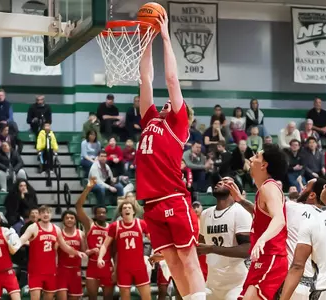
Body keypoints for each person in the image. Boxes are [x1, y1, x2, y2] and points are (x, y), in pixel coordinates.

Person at [137, 13, 204, 300]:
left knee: (188, 261)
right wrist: (146, 41)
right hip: (151, 204)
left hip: (174, 199)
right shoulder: (150, 119)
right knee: (173, 264)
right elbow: (146, 78)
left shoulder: (177, 124)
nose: (166, 101)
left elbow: (171, 78)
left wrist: (165, 37)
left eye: (172, 102)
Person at [225, 144, 289, 300]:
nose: (251, 158)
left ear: (264, 165)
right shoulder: (264, 189)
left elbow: (279, 219)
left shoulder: (269, 188)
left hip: (271, 256)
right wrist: (240, 200)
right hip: (261, 258)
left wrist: (262, 240)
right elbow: (263, 214)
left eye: (257, 156)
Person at [196, 177, 252, 300]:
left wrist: (212, 248)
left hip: (236, 284)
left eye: (226, 182)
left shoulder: (241, 212)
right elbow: (199, 247)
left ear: (235, 190)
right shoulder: (206, 213)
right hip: (212, 283)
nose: (220, 182)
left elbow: (247, 249)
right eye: (219, 181)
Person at [18, 206, 81, 300]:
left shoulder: (56, 229)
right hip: (35, 271)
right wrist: (14, 244)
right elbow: (22, 239)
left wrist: (77, 252)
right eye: (43, 212)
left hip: (51, 271)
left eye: (47, 212)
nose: (45, 214)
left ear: (51, 215)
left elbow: (64, 246)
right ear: (39, 215)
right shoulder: (33, 227)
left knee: (49, 297)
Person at [97, 201, 151, 300]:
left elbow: (153, 239)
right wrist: (100, 257)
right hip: (123, 268)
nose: (127, 209)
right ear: (121, 212)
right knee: (125, 297)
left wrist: (159, 251)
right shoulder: (115, 226)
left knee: (147, 297)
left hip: (139, 266)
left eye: (129, 207)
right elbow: (105, 245)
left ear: (134, 211)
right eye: (124, 208)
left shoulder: (141, 223)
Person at [74, 178, 114, 300]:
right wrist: (89, 187)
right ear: (95, 214)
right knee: (92, 298)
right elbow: (78, 206)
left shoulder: (112, 228)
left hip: (107, 265)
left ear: (106, 214)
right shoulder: (90, 224)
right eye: (99, 213)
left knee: (108, 298)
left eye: (103, 213)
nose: (101, 215)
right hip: (92, 266)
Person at [284, 178, 324, 300]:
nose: (302, 188)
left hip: (293, 283)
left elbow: (262, 209)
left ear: (312, 194)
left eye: (306, 186)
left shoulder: (292, 208)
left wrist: (241, 200)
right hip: (317, 287)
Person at [57, 210, 86, 300]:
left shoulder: (80, 233)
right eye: (67, 218)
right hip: (61, 270)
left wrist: (93, 250)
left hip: (75, 270)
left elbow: (84, 251)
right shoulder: (59, 233)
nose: (69, 220)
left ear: (75, 220)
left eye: (72, 218)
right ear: (63, 220)